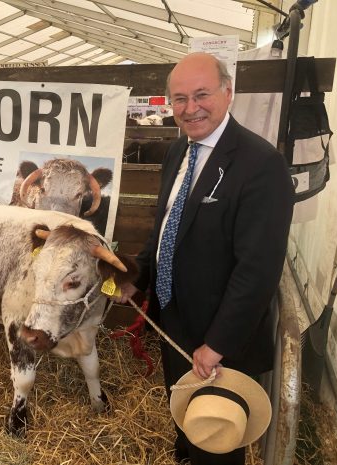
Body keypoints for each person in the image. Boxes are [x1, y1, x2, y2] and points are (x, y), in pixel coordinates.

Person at [114, 52, 294, 464]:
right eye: (179, 99)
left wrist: (217, 344)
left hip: (220, 335)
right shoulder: (179, 152)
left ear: (228, 93)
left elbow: (258, 269)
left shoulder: (261, 165)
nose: (190, 108)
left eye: (201, 95)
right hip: (175, 318)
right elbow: (165, 231)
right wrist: (135, 278)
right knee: (186, 416)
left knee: (218, 435)